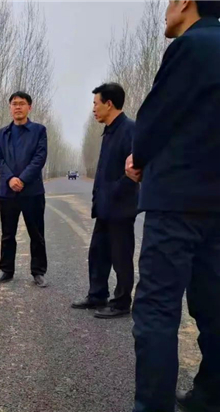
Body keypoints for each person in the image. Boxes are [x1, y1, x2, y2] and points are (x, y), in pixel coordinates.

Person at [125, 1, 220, 411]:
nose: (165, 12)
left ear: (185, 2)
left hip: (178, 202)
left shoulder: (190, 46)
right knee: (215, 308)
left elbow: (156, 118)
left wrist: (138, 158)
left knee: (157, 311)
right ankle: (211, 396)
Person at [71, 83, 139, 319]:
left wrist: (114, 191)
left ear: (109, 104)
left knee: (121, 257)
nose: (93, 109)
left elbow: (135, 170)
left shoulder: (130, 130)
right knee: (98, 253)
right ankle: (97, 295)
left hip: (121, 207)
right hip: (104, 207)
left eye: (95, 103)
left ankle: (121, 302)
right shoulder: (109, 131)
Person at [0, 91, 48, 287]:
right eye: (14, 103)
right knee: (8, 234)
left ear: (29, 107)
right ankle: (6, 271)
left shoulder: (38, 131)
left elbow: (39, 158)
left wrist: (22, 179)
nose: (18, 107)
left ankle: (38, 272)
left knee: (36, 233)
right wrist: (10, 179)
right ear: (10, 107)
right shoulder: (2, 133)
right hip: (7, 192)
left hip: (32, 191)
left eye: (22, 103)